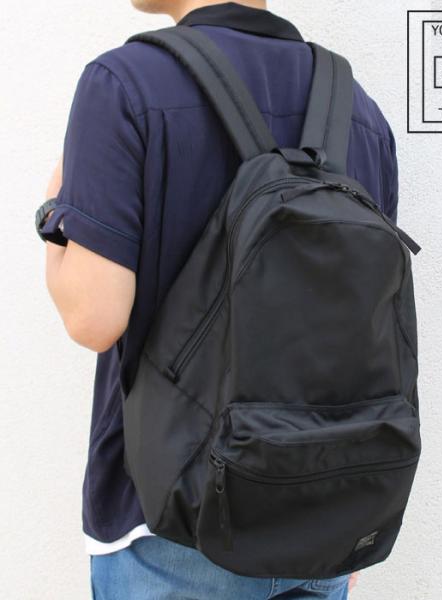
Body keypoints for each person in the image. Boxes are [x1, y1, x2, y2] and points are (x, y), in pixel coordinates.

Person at [38, 1, 400, 598]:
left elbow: (93, 317)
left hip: (175, 530)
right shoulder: (360, 112)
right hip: (328, 515)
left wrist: (53, 214)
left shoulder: (124, 84)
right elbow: (366, 331)